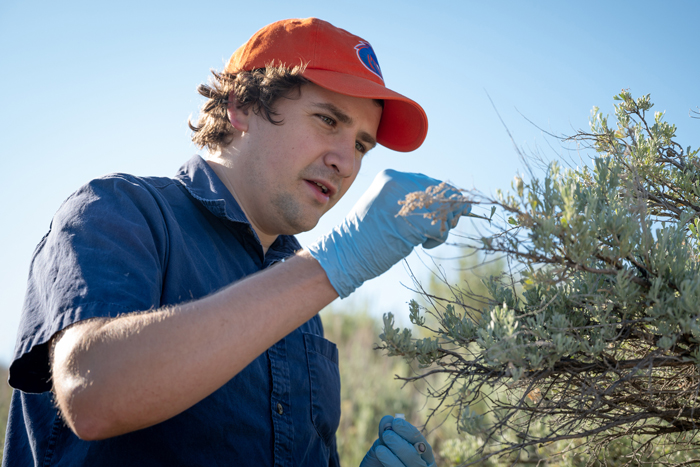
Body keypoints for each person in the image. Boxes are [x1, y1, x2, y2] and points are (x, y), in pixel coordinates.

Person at [3, 18, 468, 466]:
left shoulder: (305, 309)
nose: (346, 162)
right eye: (328, 121)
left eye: (362, 145)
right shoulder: (120, 210)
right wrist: (336, 263)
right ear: (242, 106)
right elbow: (92, 392)